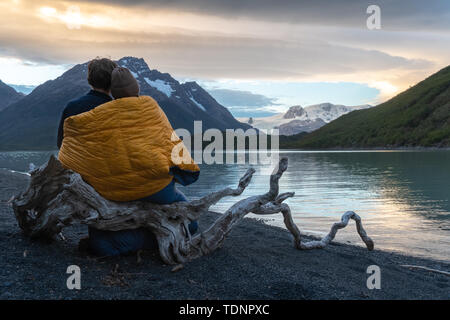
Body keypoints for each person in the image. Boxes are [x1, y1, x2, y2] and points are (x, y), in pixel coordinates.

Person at [58, 65, 200, 256]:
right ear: (136, 89)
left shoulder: (97, 114)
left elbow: (67, 148)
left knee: (103, 239)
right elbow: (170, 140)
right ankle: (154, 237)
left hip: (112, 190)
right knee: (190, 222)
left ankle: (123, 242)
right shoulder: (150, 106)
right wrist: (185, 170)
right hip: (156, 188)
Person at [57, 58, 118, 149]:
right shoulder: (117, 110)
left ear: (90, 79)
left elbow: (61, 143)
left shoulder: (72, 107)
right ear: (113, 81)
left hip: (75, 161)